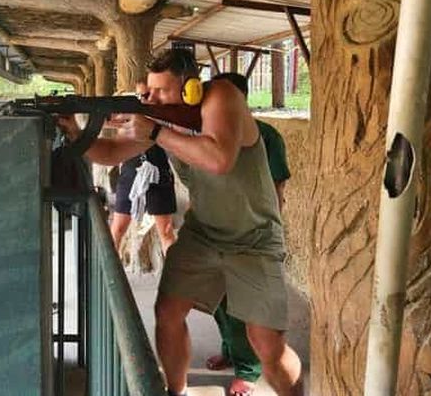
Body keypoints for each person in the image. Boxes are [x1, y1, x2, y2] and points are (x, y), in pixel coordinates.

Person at [58, 48, 303, 396]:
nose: (151, 98)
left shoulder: (222, 96)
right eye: (150, 91)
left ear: (191, 89)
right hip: (204, 233)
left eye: (161, 92)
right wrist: (74, 133)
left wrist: (156, 130)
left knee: (267, 346)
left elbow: (219, 159)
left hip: (255, 240)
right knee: (168, 312)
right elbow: (112, 154)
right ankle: (177, 392)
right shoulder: (161, 118)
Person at [204, 72, 292, 396]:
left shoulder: (266, 137)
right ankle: (230, 350)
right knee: (218, 300)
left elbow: (278, 187)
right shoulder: (212, 131)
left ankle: (249, 371)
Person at [110, 81, 177, 254]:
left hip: (159, 173)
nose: (144, 100)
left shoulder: (166, 116)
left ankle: (171, 276)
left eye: (147, 95)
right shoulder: (129, 117)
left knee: (166, 232)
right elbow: (114, 130)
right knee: (117, 229)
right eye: (139, 96)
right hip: (130, 173)